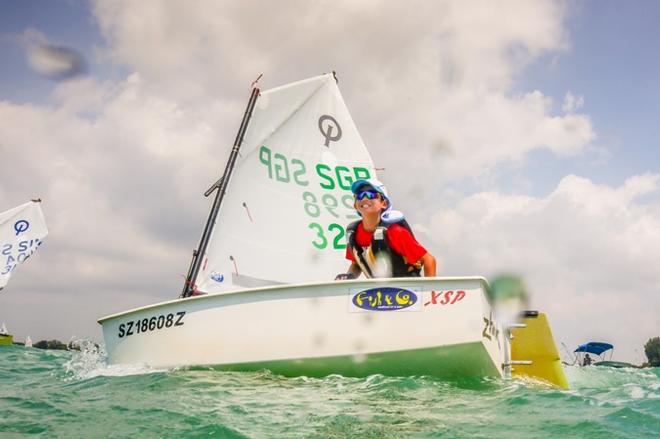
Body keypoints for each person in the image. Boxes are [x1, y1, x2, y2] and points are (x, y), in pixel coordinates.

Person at [335, 179, 436, 280]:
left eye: (371, 195)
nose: (364, 198)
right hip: (379, 293)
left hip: (407, 292)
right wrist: (349, 276)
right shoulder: (354, 233)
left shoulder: (395, 232)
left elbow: (429, 260)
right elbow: (357, 264)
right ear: (355, 205)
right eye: (359, 196)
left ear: (384, 203)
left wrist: (430, 292)